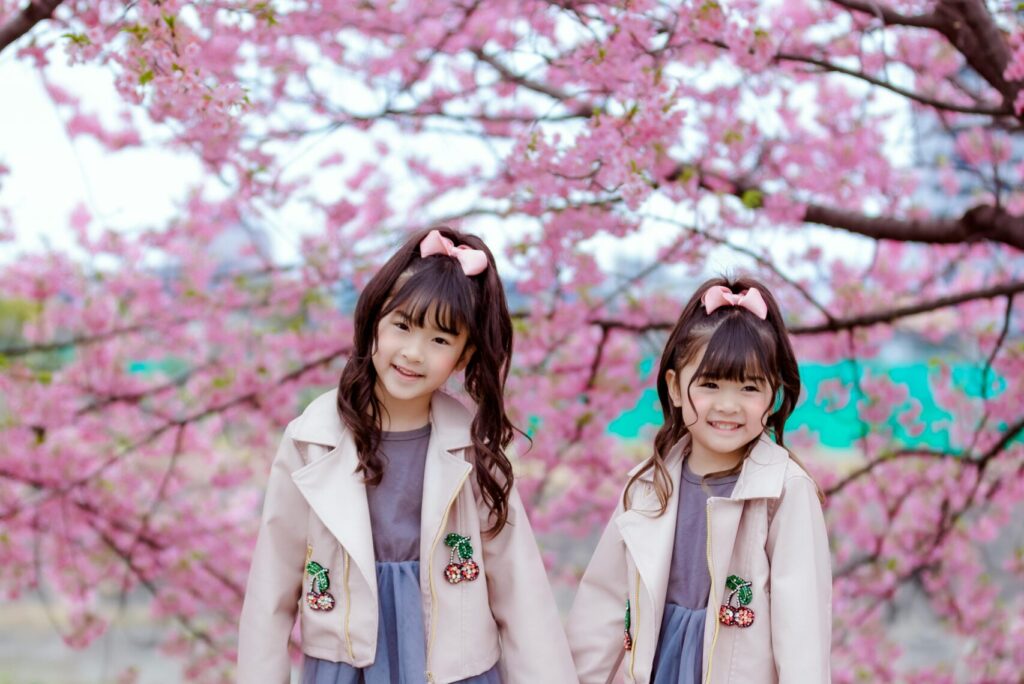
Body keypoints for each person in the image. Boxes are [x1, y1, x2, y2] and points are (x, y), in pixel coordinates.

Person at [238, 228, 577, 684]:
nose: (414, 353)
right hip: (344, 670)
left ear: (464, 354)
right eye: (402, 326)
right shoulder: (310, 441)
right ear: (374, 318)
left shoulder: (474, 451)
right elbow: (271, 591)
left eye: (440, 340)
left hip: (457, 671)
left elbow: (521, 593)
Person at [567, 277, 832, 684]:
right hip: (654, 665)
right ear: (675, 387)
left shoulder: (784, 492)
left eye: (749, 387)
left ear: (773, 394)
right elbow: (602, 602)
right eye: (709, 384)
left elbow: (802, 632)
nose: (728, 405)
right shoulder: (646, 486)